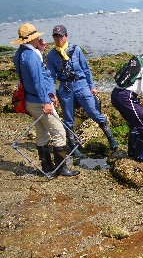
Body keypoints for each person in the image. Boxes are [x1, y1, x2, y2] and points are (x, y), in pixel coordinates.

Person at [11, 23, 79, 177]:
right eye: (37, 37)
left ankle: (47, 166)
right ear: (32, 39)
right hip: (39, 101)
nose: (41, 39)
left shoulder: (21, 53)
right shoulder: (31, 57)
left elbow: (27, 71)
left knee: (42, 132)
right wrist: (46, 101)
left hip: (29, 100)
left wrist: (40, 50)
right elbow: (38, 81)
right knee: (59, 131)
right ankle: (62, 168)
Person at [46, 25, 118, 158]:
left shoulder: (76, 49)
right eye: (56, 36)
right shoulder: (51, 55)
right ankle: (74, 148)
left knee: (94, 112)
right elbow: (50, 76)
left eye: (61, 36)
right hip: (65, 88)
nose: (59, 38)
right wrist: (51, 94)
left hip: (81, 84)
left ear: (66, 36)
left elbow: (86, 69)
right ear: (53, 38)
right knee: (68, 119)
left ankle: (111, 139)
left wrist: (92, 86)